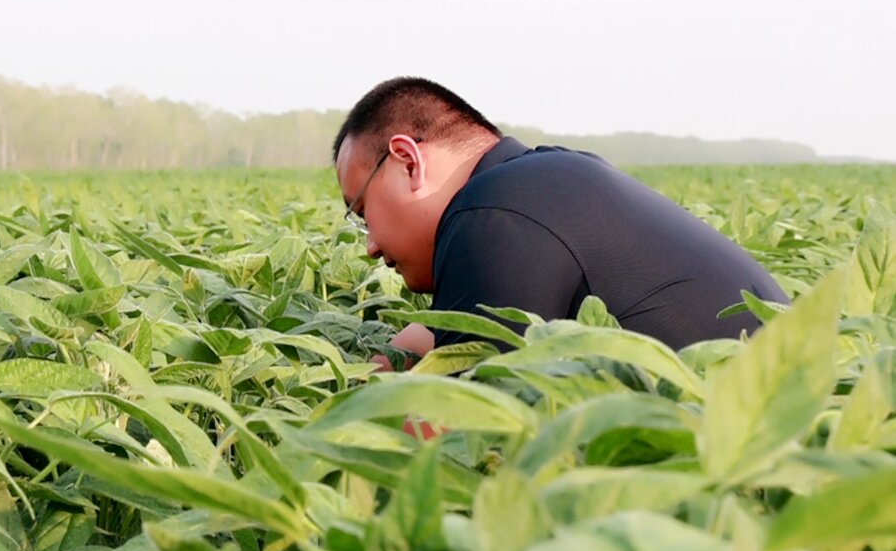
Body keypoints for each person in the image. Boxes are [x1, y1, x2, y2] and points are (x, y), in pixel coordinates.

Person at [332, 77, 786, 361]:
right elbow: (449, 334)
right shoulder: (542, 181)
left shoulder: (490, 215)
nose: (370, 244)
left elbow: (458, 433)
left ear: (408, 162)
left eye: (362, 211)